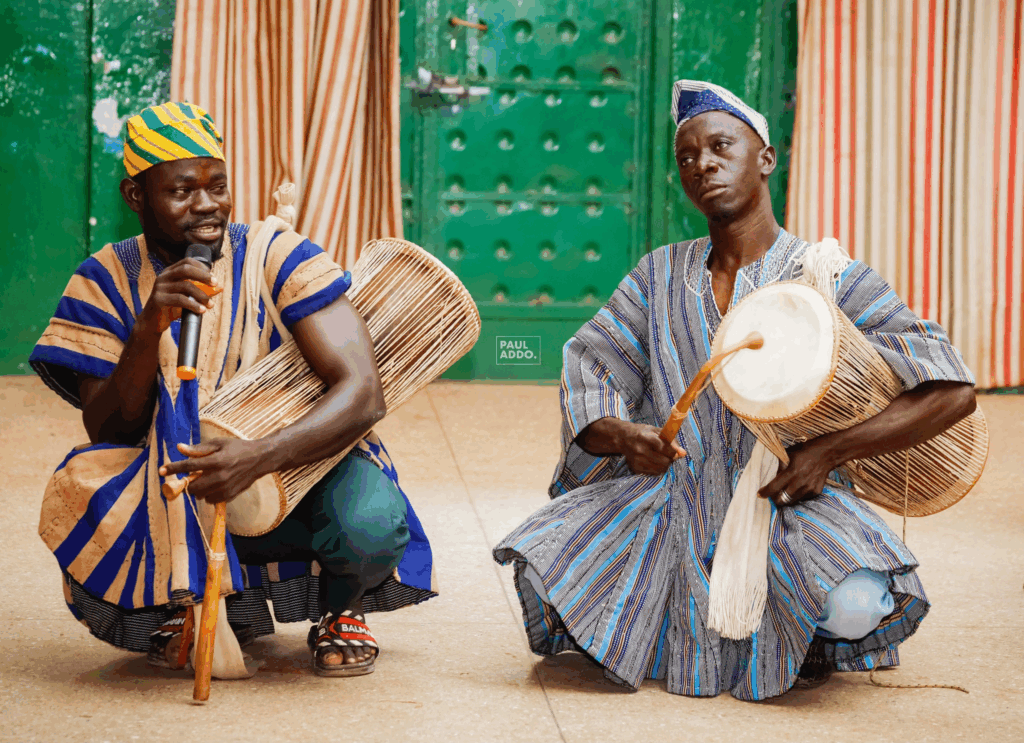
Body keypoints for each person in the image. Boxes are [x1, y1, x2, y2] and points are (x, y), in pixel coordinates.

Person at [493, 81, 977, 700]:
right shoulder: (659, 273)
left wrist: (827, 454)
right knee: (542, 565)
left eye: (722, 146)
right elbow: (592, 363)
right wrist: (623, 436)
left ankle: (802, 630)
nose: (704, 165)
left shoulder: (825, 275)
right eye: (688, 157)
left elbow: (951, 387)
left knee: (855, 604)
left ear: (766, 159)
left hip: (790, 501)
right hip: (671, 504)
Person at [30, 102, 435, 678]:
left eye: (218, 186)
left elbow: (364, 394)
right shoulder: (102, 279)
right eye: (181, 191)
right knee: (82, 502)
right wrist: (149, 329)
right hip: (170, 492)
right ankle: (194, 600)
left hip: (292, 475)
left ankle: (341, 608)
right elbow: (109, 431)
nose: (207, 206)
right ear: (134, 196)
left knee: (368, 521)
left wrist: (260, 457)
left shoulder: (278, 255)